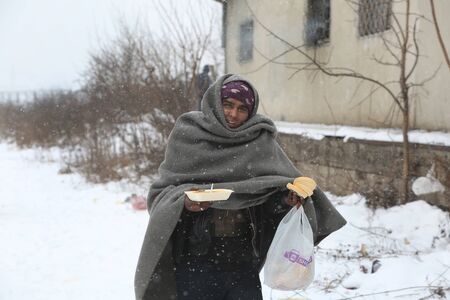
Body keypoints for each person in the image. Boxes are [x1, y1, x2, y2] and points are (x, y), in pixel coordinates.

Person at [134, 74, 346, 300]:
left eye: (242, 108)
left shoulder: (259, 141)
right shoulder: (189, 134)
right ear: (216, 102)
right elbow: (161, 194)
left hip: (241, 258)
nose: (233, 114)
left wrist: (287, 199)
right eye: (228, 104)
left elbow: (269, 194)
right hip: (194, 257)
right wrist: (185, 204)